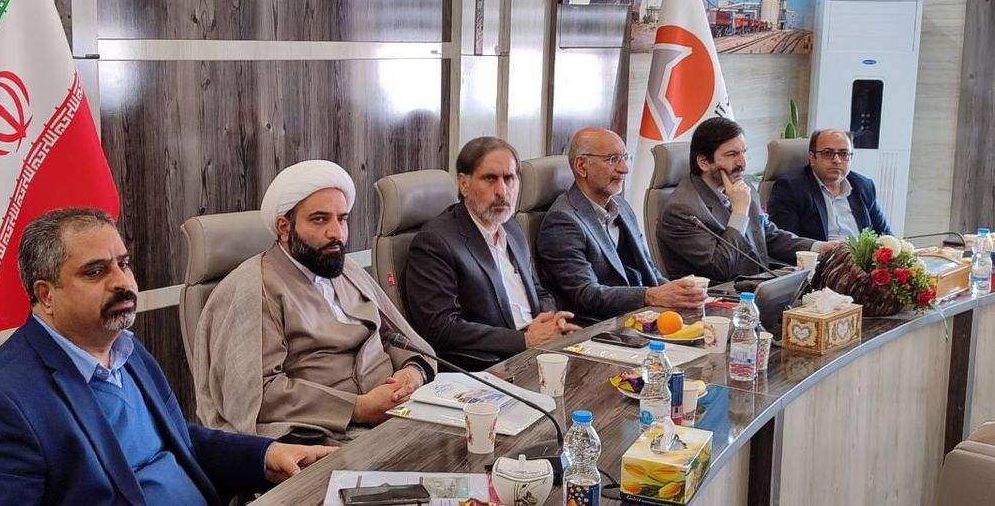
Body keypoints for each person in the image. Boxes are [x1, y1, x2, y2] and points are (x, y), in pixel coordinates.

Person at [0, 208, 335, 505]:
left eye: (123, 264)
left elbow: (180, 442)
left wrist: (267, 454)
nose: (122, 282)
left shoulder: (126, 350)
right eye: (95, 272)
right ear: (46, 295)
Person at [193, 160, 436, 444]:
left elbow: (394, 337)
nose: (337, 233)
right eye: (320, 219)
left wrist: (413, 372)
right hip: (324, 436)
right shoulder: (253, 288)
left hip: (398, 414)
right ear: (284, 228)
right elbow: (258, 394)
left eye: (342, 219)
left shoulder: (346, 269)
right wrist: (358, 408)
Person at [404, 137, 578, 369]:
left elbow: (537, 290)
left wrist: (550, 320)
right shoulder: (435, 242)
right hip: (491, 364)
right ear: (464, 184)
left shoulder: (512, 227)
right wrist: (525, 340)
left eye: (509, 178)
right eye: (490, 178)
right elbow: (441, 327)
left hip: (539, 349)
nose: (502, 191)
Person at [537, 128, 705, 320]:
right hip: (601, 325)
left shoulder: (622, 206)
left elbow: (649, 270)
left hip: (643, 316)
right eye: (613, 159)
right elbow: (587, 294)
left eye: (625, 158)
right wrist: (650, 296)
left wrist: (680, 294)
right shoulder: (562, 221)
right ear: (582, 166)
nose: (624, 169)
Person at [657, 118, 840, 283]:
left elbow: (767, 235)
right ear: (704, 162)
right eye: (731, 155)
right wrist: (739, 212)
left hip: (758, 288)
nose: (742, 163)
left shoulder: (743, 187)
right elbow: (720, 268)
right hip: (717, 298)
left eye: (743, 153)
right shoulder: (681, 210)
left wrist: (820, 248)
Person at [767, 128, 892, 240]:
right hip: (820, 257)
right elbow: (785, 243)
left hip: (861, 257)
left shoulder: (864, 186)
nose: (837, 160)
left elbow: (886, 237)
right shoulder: (790, 188)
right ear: (812, 158)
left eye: (844, 154)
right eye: (827, 153)